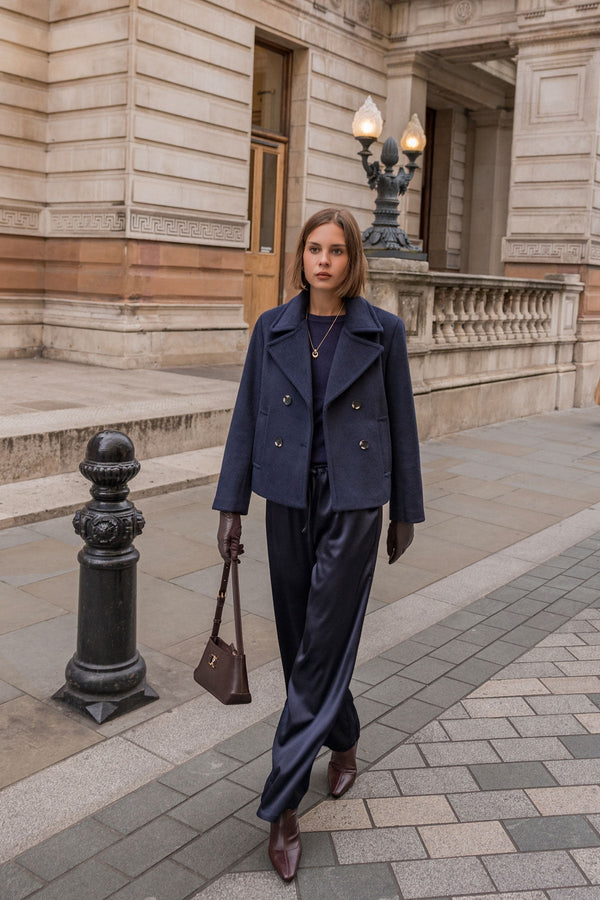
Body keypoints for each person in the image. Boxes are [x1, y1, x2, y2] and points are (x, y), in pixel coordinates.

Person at [213, 207, 424, 881]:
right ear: (300, 257)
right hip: (287, 499)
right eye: (313, 248)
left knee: (320, 646)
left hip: (356, 501)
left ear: (351, 258)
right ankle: (346, 736)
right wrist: (231, 505)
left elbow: (402, 423)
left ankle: (281, 802)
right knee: (308, 636)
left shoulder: (382, 332)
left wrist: (404, 512)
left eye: (336, 249)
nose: (324, 260)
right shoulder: (272, 329)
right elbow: (248, 417)